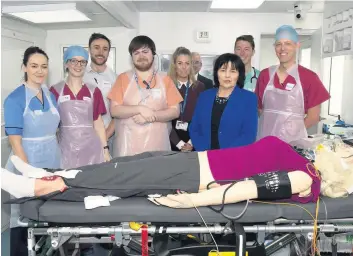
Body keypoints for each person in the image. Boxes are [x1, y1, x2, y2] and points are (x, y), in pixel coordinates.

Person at [3, 136, 352, 209]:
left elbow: (248, 189)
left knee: (120, 179)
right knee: (120, 165)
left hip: (194, 176)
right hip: (194, 159)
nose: (340, 147)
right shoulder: (306, 160)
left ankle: (37, 186)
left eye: (346, 151)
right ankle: (48, 172)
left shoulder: (308, 178)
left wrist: (195, 201)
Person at [3, 46, 61, 256]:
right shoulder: (15, 99)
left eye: (44, 66)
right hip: (25, 161)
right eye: (34, 66)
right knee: (23, 216)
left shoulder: (49, 94)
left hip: (51, 158)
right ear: (24, 67)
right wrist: (29, 174)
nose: (39, 71)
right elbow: (16, 142)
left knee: (48, 213)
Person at [108, 35, 183, 157]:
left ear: (153, 54)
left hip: (158, 147)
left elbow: (175, 111)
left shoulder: (165, 80)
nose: (141, 56)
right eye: (136, 53)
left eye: (145, 51)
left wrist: (152, 115)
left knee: (157, 175)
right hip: (127, 148)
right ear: (131, 57)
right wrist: (139, 109)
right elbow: (115, 110)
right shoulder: (123, 79)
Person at [255, 25, 330, 145]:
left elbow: (314, 117)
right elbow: (260, 109)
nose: (282, 48)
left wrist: (293, 135)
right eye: (278, 44)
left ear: (297, 45)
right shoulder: (265, 75)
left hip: (293, 144)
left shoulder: (309, 77)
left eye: (288, 43)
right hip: (264, 141)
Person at [50, 45, 110, 169]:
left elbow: (98, 122)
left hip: (91, 147)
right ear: (66, 64)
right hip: (65, 147)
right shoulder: (55, 90)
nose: (78, 65)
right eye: (73, 61)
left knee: (91, 181)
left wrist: (105, 149)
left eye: (82, 61)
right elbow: (51, 124)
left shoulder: (94, 91)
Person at [189, 53, 258, 151]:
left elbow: (249, 134)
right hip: (205, 155)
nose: (227, 75)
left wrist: (225, 155)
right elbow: (194, 128)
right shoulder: (204, 96)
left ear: (239, 75)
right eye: (223, 70)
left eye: (233, 71)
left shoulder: (249, 98)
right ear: (216, 73)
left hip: (234, 158)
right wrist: (203, 150)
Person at [84, 33, 117, 157]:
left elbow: (117, 114)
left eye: (105, 49)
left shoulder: (115, 79)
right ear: (89, 50)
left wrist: (105, 137)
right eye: (96, 47)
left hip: (109, 137)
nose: (100, 52)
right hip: (84, 138)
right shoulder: (80, 76)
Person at [168, 47, 205, 152]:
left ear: (191, 65)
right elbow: (165, 122)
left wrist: (191, 143)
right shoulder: (167, 87)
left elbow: (203, 119)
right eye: (180, 63)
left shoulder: (200, 87)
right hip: (172, 140)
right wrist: (179, 144)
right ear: (174, 65)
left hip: (194, 140)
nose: (184, 67)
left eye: (187, 63)